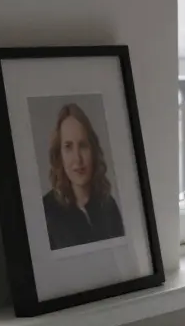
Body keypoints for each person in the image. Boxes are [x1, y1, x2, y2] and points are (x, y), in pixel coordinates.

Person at [41, 102, 125, 250]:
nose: (78, 159)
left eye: (83, 145)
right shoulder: (47, 212)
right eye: (68, 147)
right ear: (60, 155)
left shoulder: (109, 205)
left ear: (93, 150)